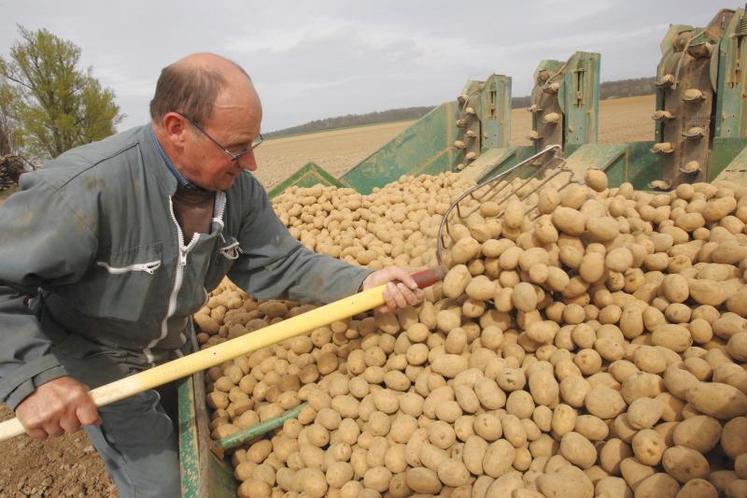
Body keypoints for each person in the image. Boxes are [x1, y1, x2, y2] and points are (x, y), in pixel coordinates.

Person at [0, 53, 423, 497]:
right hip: (96, 352)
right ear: (177, 129)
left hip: (173, 341)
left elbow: (280, 262)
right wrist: (36, 379)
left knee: (182, 435)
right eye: (236, 148)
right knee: (167, 486)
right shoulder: (83, 191)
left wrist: (363, 282)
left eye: (253, 143)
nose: (252, 163)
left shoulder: (237, 191)